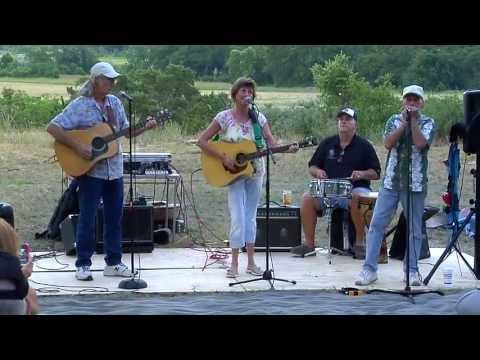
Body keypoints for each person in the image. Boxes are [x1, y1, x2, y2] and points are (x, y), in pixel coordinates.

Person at [46, 62, 157, 281]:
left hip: (114, 170)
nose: (112, 82)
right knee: (87, 219)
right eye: (107, 78)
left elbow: (127, 133)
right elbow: (53, 127)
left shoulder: (115, 103)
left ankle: (114, 263)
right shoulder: (80, 105)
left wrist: (145, 126)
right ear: (95, 80)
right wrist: (79, 146)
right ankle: (83, 264)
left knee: (114, 219)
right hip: (91, 172)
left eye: (113, 79)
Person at [197, 77, 298, 278]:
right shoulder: (224, 117)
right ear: (235, 94)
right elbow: (202, 141)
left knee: (251, 218)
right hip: (232, 173)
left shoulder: (259, 118)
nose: (247, 94)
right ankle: (233, 263)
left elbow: (271, 142)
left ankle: (251, 263)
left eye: (250, 91)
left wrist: (287, 149)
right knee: (238, 217)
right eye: (243, 91)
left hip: (256, 172)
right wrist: (223, 157)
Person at [355, 85, 436, 286]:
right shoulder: (393, 120)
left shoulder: (428, 122)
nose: (411, 103)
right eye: (408, 99)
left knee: (415, 229)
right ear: (403, 101)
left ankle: (412, 270)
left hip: (414, 184)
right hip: (391, 182)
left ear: (422, 103)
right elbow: (388, 143)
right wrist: (402, 125)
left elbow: (420, 144)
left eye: (416, 100)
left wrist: (414, 123)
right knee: (376, 225)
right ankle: (369, 270)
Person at [290, 107, 381, 258]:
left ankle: (359, 244)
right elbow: (312, 166)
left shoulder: (364, 145)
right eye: (341, 119)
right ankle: (309, 245)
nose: (343, 122)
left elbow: (376, 173)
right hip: (330, 190)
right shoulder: (328, 143)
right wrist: (318, 172)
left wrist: (362, 174)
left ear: (355, 124)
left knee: (357, 196)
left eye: (348, 119)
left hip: (356, 189)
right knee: (307, 197)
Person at [0, 219, 38, 315]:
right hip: (12, 306)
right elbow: (22, 292)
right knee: (31, 294)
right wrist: (23, 275)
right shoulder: (12, 261)